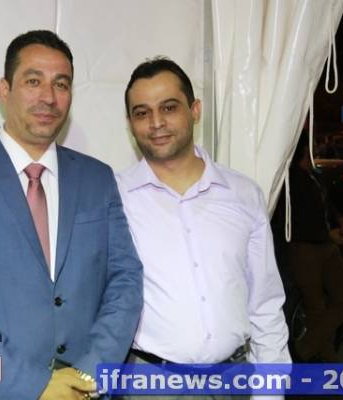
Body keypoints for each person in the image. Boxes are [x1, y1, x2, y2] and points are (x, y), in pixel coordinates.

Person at [0, 30, 143, 400]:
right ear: (5, 90)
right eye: (33, 81)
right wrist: (34, 387)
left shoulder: (97, 178)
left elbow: (125, 280)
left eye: (61, 84)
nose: (48, 96)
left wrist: (88, 375)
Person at [116, 57, 291, 399]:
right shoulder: (114, 198)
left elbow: (266, 305)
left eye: (169, 108)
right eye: (142, 112)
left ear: (194, 110)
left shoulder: (243, 194)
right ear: (130, 123)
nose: (156, 123)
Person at [283, 134, 343, 362]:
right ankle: (326, 363)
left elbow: (325, 204)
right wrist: (329, 234)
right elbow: (295, 221)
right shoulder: (291, 179)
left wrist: (341, 220)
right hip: (305, 249)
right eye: (312, 144)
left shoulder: (313, 174)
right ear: (303, 148)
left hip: (326, 245)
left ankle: (305, 350)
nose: (316, 147)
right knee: (316, 308)